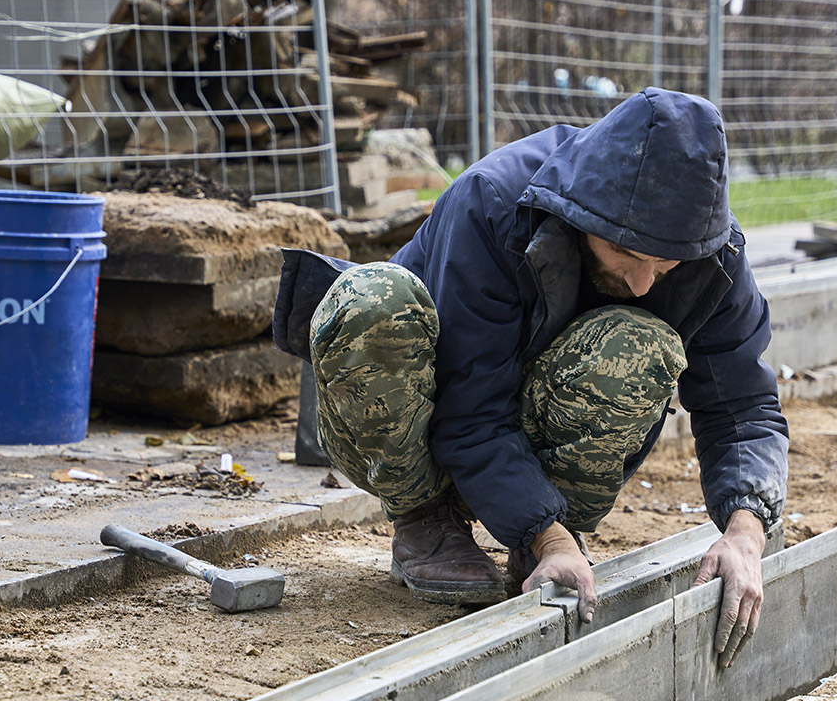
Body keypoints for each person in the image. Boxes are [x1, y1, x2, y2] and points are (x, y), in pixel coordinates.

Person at [273, 87, 788, 667]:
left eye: (664, 266)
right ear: (588, 209)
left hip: (528, 418)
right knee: (372, 300)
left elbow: (743, 408)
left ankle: (546, 531)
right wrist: (547, 535)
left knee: (639, 346)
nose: (646, 282)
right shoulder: (495, 204)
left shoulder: (713, 255)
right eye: (628, 254)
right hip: (429, 414)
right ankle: (425, 518)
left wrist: (747, 533)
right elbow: (471, 407)